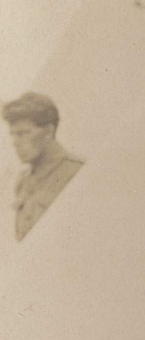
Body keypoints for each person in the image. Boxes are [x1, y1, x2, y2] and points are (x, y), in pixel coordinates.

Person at [3, 92, 84, 241]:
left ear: (48, 131)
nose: (15, 142)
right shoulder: (22, 181)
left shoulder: (76, 173)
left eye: (23, 133)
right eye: (13, 135)